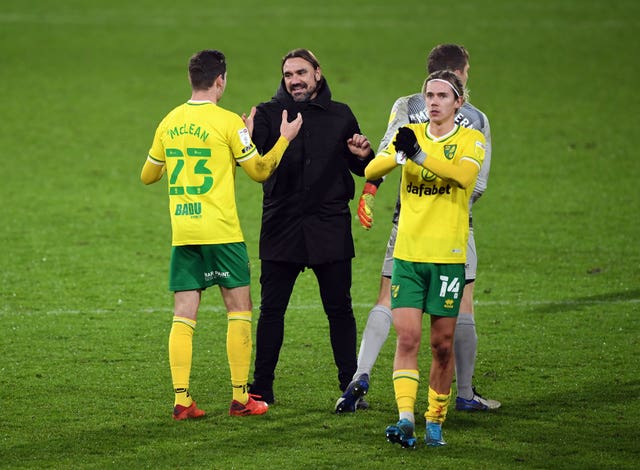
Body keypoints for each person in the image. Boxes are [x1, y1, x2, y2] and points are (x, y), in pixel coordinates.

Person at [336, 44, 500, 414]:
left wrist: (371, 191)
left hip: (405, 221)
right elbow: (477, 185)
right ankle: (464, 392)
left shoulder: (405, 106)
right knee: (460, 308)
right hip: (454, 229)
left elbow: (383, 155)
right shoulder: (475, 118)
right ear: (462, 73)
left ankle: (360, 374)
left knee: (386, 298)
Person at [140, 49, 303, 420]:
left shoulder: (169, 121)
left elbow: (147, 175)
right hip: (222, 232)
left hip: (184, 232)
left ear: (191, 79)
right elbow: (260, 170)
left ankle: (182, 401)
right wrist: (283, 138)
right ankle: (240, 397)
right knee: (239, 311)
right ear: (220, 81)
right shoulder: (230, 122)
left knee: (183, 316)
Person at [243, 48, 374, 406]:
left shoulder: (340, 115)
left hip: (328, 224)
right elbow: (253, 164)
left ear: (318, 72)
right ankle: (261, 387)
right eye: (288, 75)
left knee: (340, 309)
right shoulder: (268, 114)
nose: (295, 80)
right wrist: (249, 138)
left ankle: (350, 385)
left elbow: (360, 165)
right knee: (272, 311)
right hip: (281, 224)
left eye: (301, 72)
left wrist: (364, 155)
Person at [364, 70, 486, 447]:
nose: (433, 102)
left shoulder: (471, 139)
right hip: (408, 256)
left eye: (442, 96)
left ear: (457, 103)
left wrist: (419, 155)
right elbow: (371, 169)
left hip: (447, 258)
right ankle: (405, 418)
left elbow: (463, 177)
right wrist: (397, 154)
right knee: (408, 338)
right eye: (429, 96)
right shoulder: (411, 136)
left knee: (442, 344)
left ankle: (434, 419)